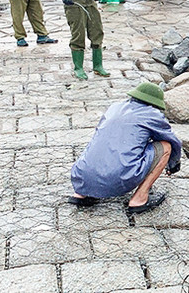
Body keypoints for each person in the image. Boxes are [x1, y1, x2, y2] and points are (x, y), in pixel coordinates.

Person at [69, 82, 182, 214]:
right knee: (165, 146)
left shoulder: (114, 107)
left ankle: (81, 194)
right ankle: (139, 200)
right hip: (117, 178)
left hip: (81, 175)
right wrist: (173, 164)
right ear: (155, 104)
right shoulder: (153, 115)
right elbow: (173, 141)